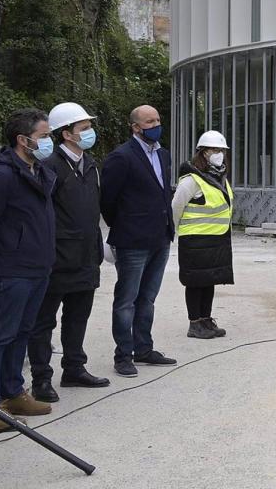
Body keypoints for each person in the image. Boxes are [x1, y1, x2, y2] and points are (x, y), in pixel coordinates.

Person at [0, 109, 56, 431]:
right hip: (12, 269)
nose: (49, 141)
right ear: (23, 140)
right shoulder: (1, 175)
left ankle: (13, 391)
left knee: (22, 331)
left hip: (38, 267)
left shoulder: (41, 172)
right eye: (44, 136)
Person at [27, 103, 111, 403]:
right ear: (67, 134)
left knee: (78, 317)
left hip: (86, 256)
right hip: (57, 258)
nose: (90, 132)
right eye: (84, 128)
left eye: (89, 126)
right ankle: (41, 379)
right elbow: (40, 212)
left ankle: (74, 368)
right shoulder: (49, 166)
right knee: (44, 321)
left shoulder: (90, 163)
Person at [101, 105, 177, 378]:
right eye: (149, 121)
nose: (156, 124)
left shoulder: (163, 155)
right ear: (135, 127)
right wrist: (124, 226)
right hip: (132, 241)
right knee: (126, 300)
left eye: (158, 119)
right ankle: (123, 355)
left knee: (148, 298)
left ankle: (144, 348)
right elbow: (108, 201)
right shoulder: (121, 158)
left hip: (160, 238)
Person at [171, 131, 234, 339]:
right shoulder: (191, 180)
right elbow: (176, 207)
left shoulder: (219, 178)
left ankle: (206, 320)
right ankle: (194, 323)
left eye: (221, 151)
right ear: (203, 153)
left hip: (216, 239)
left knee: (210, 280)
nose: (219, 154)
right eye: (214, 150)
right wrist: (173, 231)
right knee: (195, 282)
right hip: (195, 240)